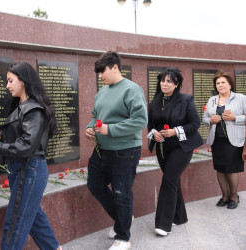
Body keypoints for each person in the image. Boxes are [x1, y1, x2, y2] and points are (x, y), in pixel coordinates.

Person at [0, 62, 62, 250]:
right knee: (34, 218)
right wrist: (2, 136)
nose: (7, 85)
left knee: (14, 225)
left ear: (23, 81)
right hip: (23, 169)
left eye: (10, 81)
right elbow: (25, 136)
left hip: (29, 169)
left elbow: (26, 146)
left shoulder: (34, 110)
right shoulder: (23, 106)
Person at [85, 51, 148, 250]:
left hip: (125, 151)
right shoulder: (102, 91)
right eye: (98, 73)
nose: (100, 76)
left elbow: (140, 121)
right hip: (102, 149)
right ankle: (124, 218)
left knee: (122, 193)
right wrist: (90, 126)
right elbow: (96, 115)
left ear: (115, 67)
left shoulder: (132, 90)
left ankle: (123, 237)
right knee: (95, 185)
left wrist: (109, 129)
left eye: (102, 72)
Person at [147, 68, 203, 236]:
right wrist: (154, 134)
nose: (165, 84)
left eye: (169, 81)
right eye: (163, 81)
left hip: (182, 147)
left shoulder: (186, 100)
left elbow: (195, 123)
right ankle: (179, 216)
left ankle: (163, 224)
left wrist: (175, 131)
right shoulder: (154, 103)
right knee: (173, 181)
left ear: (177, 84)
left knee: (168, 180)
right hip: (163, 148)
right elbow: (150, 126)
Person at [203, 71, 246, 209]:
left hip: (233, 140)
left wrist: (235, 118)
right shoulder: (212, 100)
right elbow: (204, 118)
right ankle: (225, 196)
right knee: (220, 169)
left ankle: (234, 196)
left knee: (231, 169)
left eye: (223, 83)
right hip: (217, 140)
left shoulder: (241, 98)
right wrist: (211, 120)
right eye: (218, 83)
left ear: (230, 85)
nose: (220, 85)